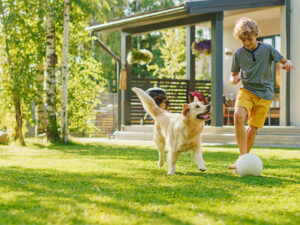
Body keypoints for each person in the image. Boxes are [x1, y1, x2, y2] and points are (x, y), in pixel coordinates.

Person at [228, 17, 294, 174]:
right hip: (247, 90)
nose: (247, 43)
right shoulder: (238, 54)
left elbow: (285, 61)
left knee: (252, 129)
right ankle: (243, 159)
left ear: (256, 35)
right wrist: (234, 79)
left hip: (265, 94)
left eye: (249, 39)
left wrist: (287, 64)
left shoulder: (268, 49)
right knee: (238, 115)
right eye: (243, 40)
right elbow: (233, 76)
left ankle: (240, 160)